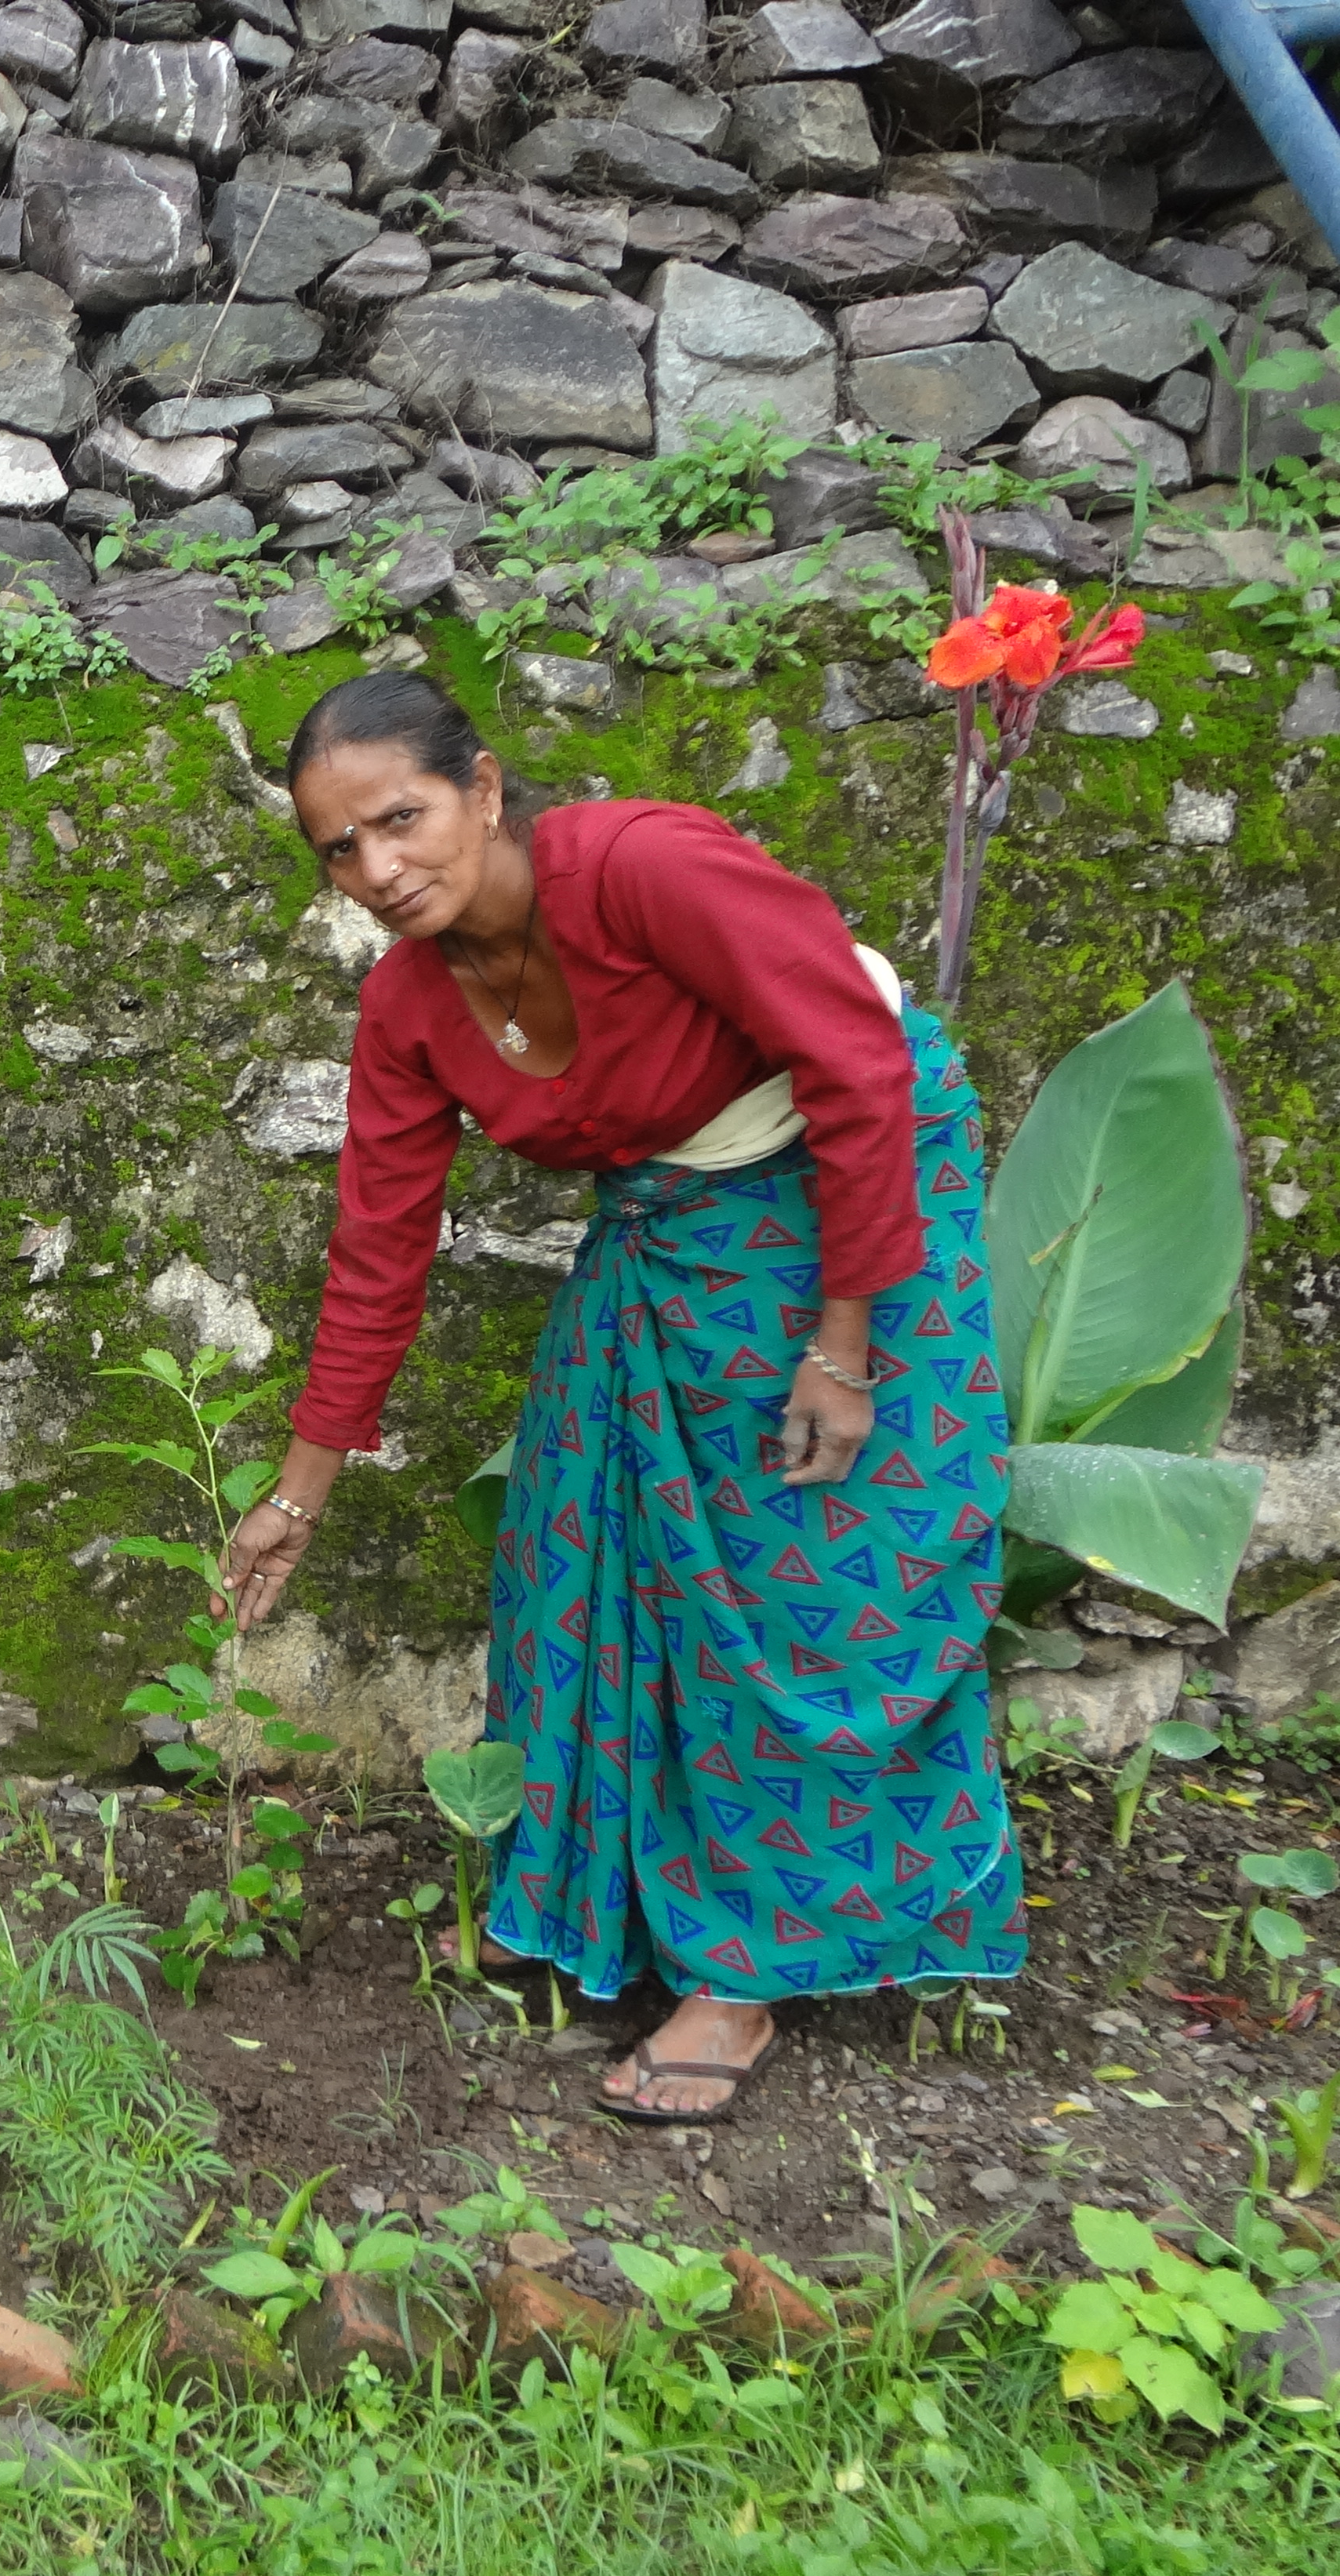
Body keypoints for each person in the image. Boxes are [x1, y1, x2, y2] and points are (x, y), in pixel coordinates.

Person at [217, 671, 1022, 2125]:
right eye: (336, 848)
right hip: (663, 1232)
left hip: (853, 1179)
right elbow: (379, 1247)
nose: (377, 870)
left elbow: (850, 1060)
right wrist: (296, 1497)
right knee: (596, 1561)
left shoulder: (643, 868)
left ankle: (751, 1976)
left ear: (485, 786)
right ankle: (650, 1907)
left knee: (802, 1579)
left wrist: (846, 1349)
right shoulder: (409, 1003)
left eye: (400, 820)